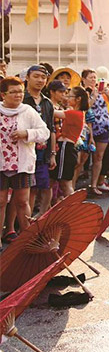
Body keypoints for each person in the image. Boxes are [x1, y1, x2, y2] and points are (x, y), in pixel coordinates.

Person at [0, 77, 50, 242]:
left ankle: (27, 239)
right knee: (0, 202)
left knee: (22, 201)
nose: (17, 95)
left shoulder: (27, 111)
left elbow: (45, 132)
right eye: (13, 92)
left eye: (20, 92)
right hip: (2, 164)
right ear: (3, 95)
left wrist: (26, 134)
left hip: (22, 163)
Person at [23, 66, 55, 218]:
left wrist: (53, 154)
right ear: (27, 78)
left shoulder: (47, 103)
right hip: (23, 151)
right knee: (26, 189)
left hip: (42, 153)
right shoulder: (21, 99)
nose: (40, 80)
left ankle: (41, 219)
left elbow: (51, 129)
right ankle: (22, 224)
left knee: (43, 185)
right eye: (36, 76)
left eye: (43, 77)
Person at [82, 69, 109, 195]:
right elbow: (85, 107)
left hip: (103, 126)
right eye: (91, 77)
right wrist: (93, 97)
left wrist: (107, 93)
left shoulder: (100, 92)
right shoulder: (83, 92)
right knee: (83, 158)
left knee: (99, 157)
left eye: (95, 78)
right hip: (89, 127)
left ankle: (95, 184)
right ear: (84, 79)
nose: (93, 80)